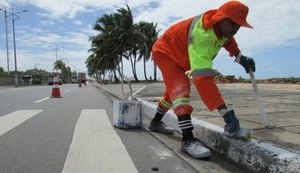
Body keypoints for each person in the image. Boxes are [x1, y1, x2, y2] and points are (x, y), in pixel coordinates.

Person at [148, 1, 256, 159]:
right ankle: (188, 140)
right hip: (166, 52)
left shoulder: (222, 29)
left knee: (172, 93)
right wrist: (225, 113)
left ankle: (155, 123)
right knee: (180, 90)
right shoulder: (203, 36)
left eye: (239, 25)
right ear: (221, 18)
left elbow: (228, 41)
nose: (236, 29)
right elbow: (203, 80)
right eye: (233, 23)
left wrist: (240, 57)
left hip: (182, 56)